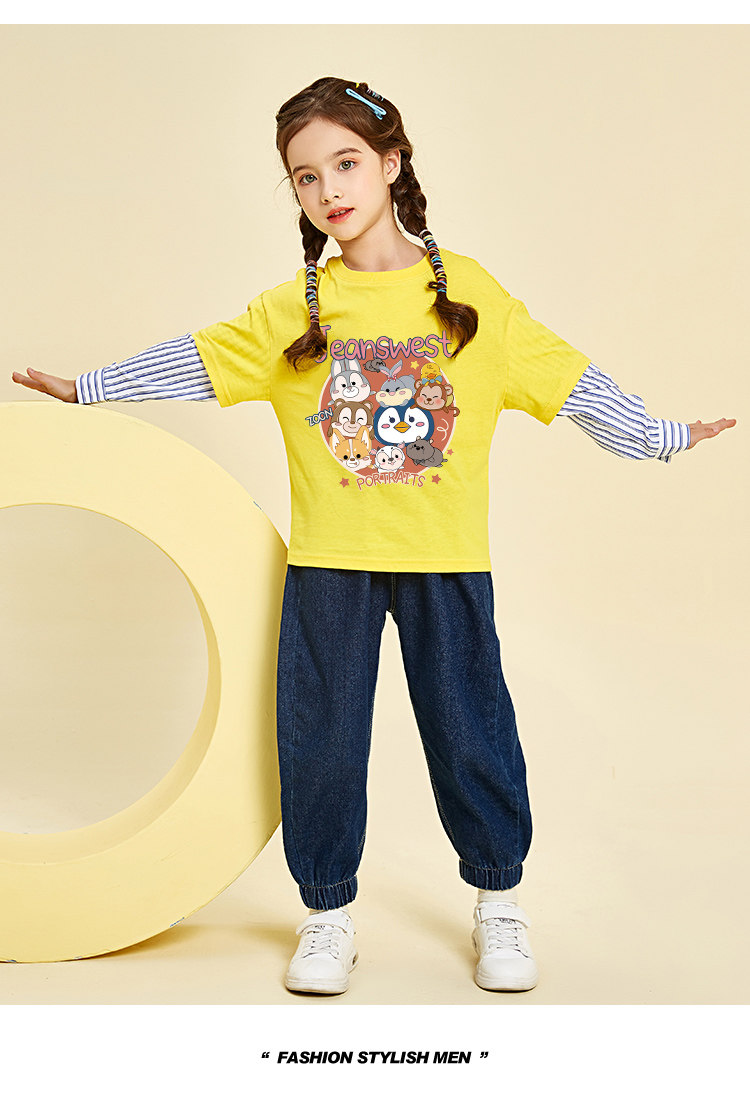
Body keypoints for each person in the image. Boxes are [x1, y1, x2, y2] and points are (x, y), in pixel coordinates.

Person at [12, 76, 735, 997]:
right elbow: (203, 357)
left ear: (392, 164)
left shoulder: (468, 296)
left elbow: (565, 375)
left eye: (346, 163)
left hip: (446, 562)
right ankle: (326, 915)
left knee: (471, 731)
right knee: (320, 739)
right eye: (306, 177)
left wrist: (661, 435)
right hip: (330, 566)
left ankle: (499, 900)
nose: (329, 191)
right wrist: (88, 388)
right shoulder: (300, 308)